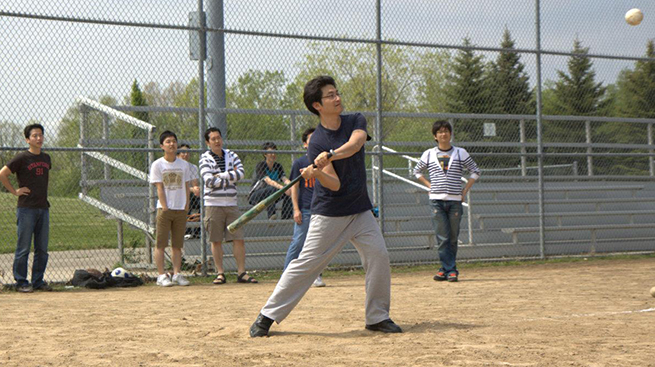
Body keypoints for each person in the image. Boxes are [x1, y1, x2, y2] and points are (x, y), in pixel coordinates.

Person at [250, 75, 401, 337]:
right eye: (330, 95)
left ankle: (377, 316)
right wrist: (317, 172)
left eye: (336, 92)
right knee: (306, 263)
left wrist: (331, 155)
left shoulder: (355, 120)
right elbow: (333, 184)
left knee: (378, 256)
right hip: (330, 214)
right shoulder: (317, 141)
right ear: (317, 105)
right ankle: (267, 315)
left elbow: (355, 145)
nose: (337, 98)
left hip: (360, 210)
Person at [413, 120, 480, 282]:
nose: (443, 134)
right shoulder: (428, 154)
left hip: (455, 200)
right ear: (435, 136)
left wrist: (465, 190)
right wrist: (429, 186)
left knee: (452, 236)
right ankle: (451, 270)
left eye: (446, 131)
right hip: (436, 201)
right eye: (440, 132)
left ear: (450, 134)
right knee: (442, 236)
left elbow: (475, 171)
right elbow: (417, 171)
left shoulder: (460, 152)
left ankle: (445, 269)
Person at [200, 127, 258, 284]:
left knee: (238, 238)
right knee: (216, 240)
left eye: (218, 137)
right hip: (213, 204)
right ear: (207, 142)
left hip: (231, 203)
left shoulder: (232, 155)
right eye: (213, 139)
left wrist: (221, 175)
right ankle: (220, 273)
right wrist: (230, 176)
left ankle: (241, 272)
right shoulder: (204, 158)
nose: (217, 141)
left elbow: (241, 174)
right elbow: (208, 181)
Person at [0, 123, 52, 293]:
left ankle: (38, 281)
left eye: (41, 135)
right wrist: (15, 191)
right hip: (26, 209)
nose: (39, 138)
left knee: (42, 248)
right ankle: (21, 281)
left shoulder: (46, 158)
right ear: (27, 139)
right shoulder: (22, 158)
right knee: (23, 247)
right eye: (35, 136)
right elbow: (3, 173)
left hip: (43, 208)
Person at [149, 130, 193, 287]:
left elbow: (187, 185)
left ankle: (177, 274)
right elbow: (159, 187)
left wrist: (186, 205)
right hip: (165, 209)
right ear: (162, 146)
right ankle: (161, 275)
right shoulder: (158, 165)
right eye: (168, 142)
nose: (172, 144)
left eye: (173, 141)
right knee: (160, 244)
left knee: (177, 244)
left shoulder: (184, 165)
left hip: (180, 209)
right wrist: (165, 206)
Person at [283, 128, 325, 288]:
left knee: (319, 244)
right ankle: (287, 275)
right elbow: (295, 187)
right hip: (306, 209)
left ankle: (316, 275)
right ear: (305, 144)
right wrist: (296, 209)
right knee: (298, 242)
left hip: (321, 209)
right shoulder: (300, 163)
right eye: (311, 140)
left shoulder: (325, 163)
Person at [248, 142, 293, 220]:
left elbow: (284, 179)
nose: (273, 154)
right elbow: (268, 181)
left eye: (275, 152)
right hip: (256, 196)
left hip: (272, 193)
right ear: (265, 154)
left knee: (289, 191)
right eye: (270, 152)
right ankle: (272, 215)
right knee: (272, 188)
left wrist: (291, 186)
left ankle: (286, 217)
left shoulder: (278, 166)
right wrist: (282, 188)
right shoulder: (261, 165)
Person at [177, 144, 201, 239]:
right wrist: (192, 189)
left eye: (187, 152)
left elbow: (195, 183)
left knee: (203, 203)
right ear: (178, 154)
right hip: (180, 194)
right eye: (183, 152)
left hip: (191, 193)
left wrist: (196, 189)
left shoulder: (193, 167)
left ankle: (197, 231)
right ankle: (186, 231)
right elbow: (178, 186)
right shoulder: (175, 166)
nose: (186, 154)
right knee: (187, 199)